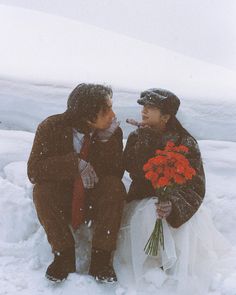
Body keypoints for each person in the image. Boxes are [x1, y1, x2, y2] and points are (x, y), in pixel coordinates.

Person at [113, 88, 231, 294]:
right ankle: (150, 266)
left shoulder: (185, 142)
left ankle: (172, 266)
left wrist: (172, 204)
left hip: (178, 204)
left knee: (177, 226)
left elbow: (196, 185)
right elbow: (133, 167)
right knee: (149, 213)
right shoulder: (137, 136)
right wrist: (145, 138)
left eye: (151, 108)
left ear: (166, 116)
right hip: (143, 199)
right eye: (143, 107)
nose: (144, 111)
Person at [27, 83, 126, 282]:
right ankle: (63, 255)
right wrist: (74, 164)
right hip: (63, 197)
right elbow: (34, 171)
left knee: (115, 187)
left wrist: (106, 143)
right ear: (88, 115)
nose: (113, 114)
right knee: (41, 191)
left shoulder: (112, 131)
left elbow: (116, 172)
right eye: (106, 109)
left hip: (92, 197)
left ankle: (101, 259)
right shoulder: (50, 127)